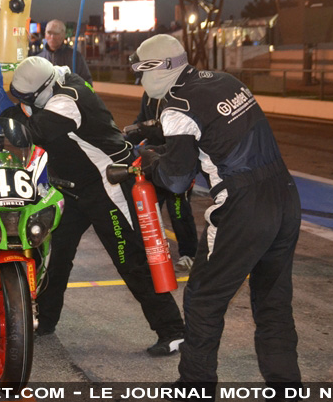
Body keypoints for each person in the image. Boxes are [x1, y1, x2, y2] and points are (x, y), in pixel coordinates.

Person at [132, 34, 302, 399]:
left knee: (203, 298)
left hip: (243, 205)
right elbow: (215, 135)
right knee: (273, 303)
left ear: (154, 72)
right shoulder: (225, 79)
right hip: (284, 194)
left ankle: (196, 386)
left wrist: (149, 161)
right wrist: (166, 145)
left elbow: (176, 180)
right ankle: (288, 387)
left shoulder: (175, 106)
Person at [0, 56, 185, 356]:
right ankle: (44, 320)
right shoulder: (57, 79)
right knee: (54, 254)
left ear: (44, 91)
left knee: (130, 258)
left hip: (107, 185)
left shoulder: (66, 103)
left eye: (27, 101)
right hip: (73, 188)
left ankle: (173, 330)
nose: (25, 106)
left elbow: (23, 134)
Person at [125, 93, 198, 272]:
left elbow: (181, 130)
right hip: (153, 160)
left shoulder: (180, 93)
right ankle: (149, 253)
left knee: (179, 211)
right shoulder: (149, 94)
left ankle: (189, 254)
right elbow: (142, 121)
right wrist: (126, 140)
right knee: (148, 209)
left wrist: (148, 130)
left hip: (177, 160)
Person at [37, 19, 93, 85]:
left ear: (64, 35)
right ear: (45, 35)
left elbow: (87, 83)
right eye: (49, 33)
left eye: (56, 33)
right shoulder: (39, 59)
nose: (52, 37)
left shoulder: (75, 57)